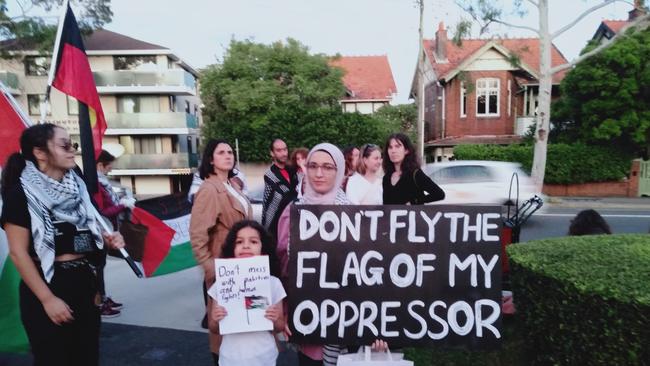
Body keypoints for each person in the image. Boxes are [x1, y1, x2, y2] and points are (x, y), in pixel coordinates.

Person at [0, 123, 125, 366]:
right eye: (64, 145)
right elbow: (18, 254)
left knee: (87, 358)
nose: (72, 151)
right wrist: (48, 299)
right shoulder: (21, 195)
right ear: (39, 152)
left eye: (73, 145)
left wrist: (109, 241)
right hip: (47, 286)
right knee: (53, 359)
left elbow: (93, 234)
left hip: (84, 284)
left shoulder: (78, 190)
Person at [276, 143, 387, 366]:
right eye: (313, 166)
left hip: (350, 322)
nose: (319, 173)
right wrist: (286, 311)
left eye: (327, 167)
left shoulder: (356, 216)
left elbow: (370, 271)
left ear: (339, 172)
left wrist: (377, 322)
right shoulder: (293, 212)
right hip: (309, 322)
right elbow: (284, 268)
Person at [189, 139, 252, 365]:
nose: (228, 155)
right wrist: (210, 269)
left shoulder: (232, 186)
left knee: (243, 326)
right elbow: (198, 235)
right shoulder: (208, 189)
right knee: (224, 328)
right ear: (210, 160)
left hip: (242, 267)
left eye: (229, 152)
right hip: (223, 269)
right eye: (221, 152)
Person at [209, 220, 285, 366]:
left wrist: (275, 318)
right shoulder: (221, 284)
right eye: (239, 241)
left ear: (263, 249)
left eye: (254, 241)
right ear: (232, 248)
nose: (246, 246)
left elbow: (279, 326)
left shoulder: (273, 283)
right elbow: (214, 328)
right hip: (230, 358)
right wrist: (215, 318)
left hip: (264, 356)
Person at [94, 150, 135, 318]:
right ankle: (99, 302)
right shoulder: (96, 184)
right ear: (100, 165)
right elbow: (102, 210)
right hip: (101, 231)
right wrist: (123, 205)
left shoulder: (102, 182)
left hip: (107, 229)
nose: (110, 168)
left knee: (100, 267)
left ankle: (102, 297)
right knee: (98, 268)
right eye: (108, 165)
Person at [382, 133, 445, 205]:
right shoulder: (386, 178)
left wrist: (415, 201)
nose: (393, 151)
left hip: (414, 215)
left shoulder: (415, 174)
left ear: (406, 150)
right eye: (390, 147)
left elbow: (439, 194)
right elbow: (386, 206)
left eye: (397, 146)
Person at [262, 139, 298, 238]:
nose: (283, 153)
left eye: (285, 149)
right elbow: (274, 202)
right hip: (277, 225)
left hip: (295, 223)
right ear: (272, 153)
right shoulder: (270, 175)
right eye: (279, 150)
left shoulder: (293, 171)